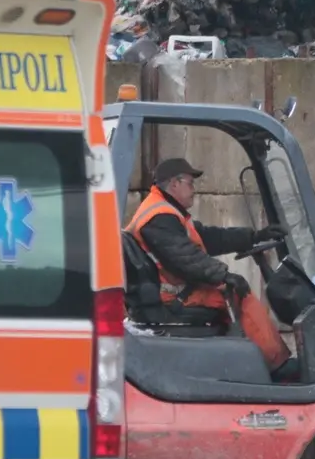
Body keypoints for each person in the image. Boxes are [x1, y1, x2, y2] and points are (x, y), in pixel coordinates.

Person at [126, 157, 296, 379]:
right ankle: (277, 366)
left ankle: (250, 363)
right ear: (174, 184)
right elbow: (186, 258)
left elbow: (209, 237)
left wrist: (253, 237)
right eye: (190, 183)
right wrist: (225, 276)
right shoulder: (159, 217)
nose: (194, 189)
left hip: (172, 292)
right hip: (172, 298)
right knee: (240, 295)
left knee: (233, 290)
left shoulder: (166, 212)